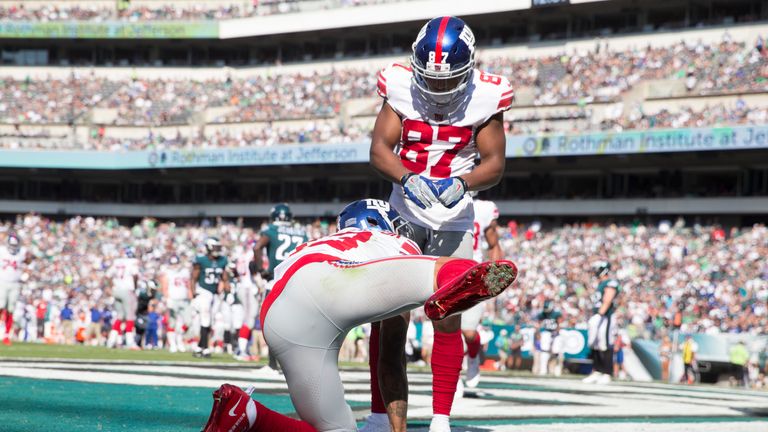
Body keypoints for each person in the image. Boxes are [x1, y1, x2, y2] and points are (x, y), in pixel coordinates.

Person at [201, 199, 518, 432]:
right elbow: (391, 355)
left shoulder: (321, 240)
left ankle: (245, 412)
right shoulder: (391, 240)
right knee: (440, 267)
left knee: (337, 429)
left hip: (278, 311)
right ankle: (456, 278)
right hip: (333, 280)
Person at [365, 15, 512, 432]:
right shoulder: (399, 85)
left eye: (447, 79)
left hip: (453, 220)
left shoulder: (487, 95)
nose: (437, 86)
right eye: (430, 76)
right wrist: (406, 178)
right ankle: (380, 417)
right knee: (389, 320)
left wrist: (463, 183)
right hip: (404, 214)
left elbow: (495, 163)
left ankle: (441, 419)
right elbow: (379, 149)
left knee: (448, 319)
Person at [251, 203, 308, 373]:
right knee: (293, 325)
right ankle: (295, 365)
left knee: (271, 324)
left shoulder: (271, 230)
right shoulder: (302, 232)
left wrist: (261, 270)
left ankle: (272, 365)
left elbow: (257, 247)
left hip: (275, 281)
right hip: (295, 282)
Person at [462, 195, 502, 387]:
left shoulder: (484, 208)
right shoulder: (438, 206)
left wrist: (496, 278)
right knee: (448, 331)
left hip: (474, 275)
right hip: (445, 271)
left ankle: (473, 356)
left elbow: (494, 245)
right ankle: (453, 377)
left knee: (469, 332)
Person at [190, 237, 229, 358]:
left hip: (214, 294)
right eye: (215, 247)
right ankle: (206, 348)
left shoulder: (222, 260)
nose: (217, 249)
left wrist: (227, 287)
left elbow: (224, 276)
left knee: (209, 321)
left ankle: (199, 347)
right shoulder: (201, 260)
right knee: (205, 319)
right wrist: (193, 292)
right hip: (203, 291)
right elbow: (194, 277)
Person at [583, 261, 620, 385]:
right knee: (595, 343)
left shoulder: (610, 283)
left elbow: (608, 300)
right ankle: (597, 371)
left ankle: (607, 373)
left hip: (605, 317)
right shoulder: (600, 284)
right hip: (598, 315)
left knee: (605, 343)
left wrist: (600, 314)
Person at [106, 247, 140, 349]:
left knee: (120, 316)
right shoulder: (132, 262)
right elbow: (135, 275)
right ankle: (130, 342)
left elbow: (107, 276)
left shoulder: (117, 262)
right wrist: (135, 287)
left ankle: (111, 340)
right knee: (130, 316)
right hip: (127, 290)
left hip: (117, 290)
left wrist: (112, 287)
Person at [0, 233, 31, 345]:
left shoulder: (21, 252)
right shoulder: (2, 250)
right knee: (1, 306)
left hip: (15, 284)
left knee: (10, 310)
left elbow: (29, 262)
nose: (13, 248)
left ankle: (6, 335)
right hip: (2, 281)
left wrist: (29, 259)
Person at [159, 255, 192, 353]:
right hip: (173, 299)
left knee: (188, 321)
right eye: (173, 264)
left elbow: (189, 285)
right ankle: (173, 344)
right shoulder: (167, 272)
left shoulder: (185, 272)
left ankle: (179, 338)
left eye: (176, 263)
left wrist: (191, 297)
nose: (174, 266)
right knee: (172, 323)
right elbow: (164, 286)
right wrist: (167, 298)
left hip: (185, 300)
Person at [536, 300, 563, 376]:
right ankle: (543, 369)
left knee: (556, 351)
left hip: (556, 333)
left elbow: (560, 324)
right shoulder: (542, 314)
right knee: (544, 350)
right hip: (546, 332)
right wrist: (538, 332)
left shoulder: (556, 313)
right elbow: (538, 323)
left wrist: (556, 332)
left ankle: (557, 369)